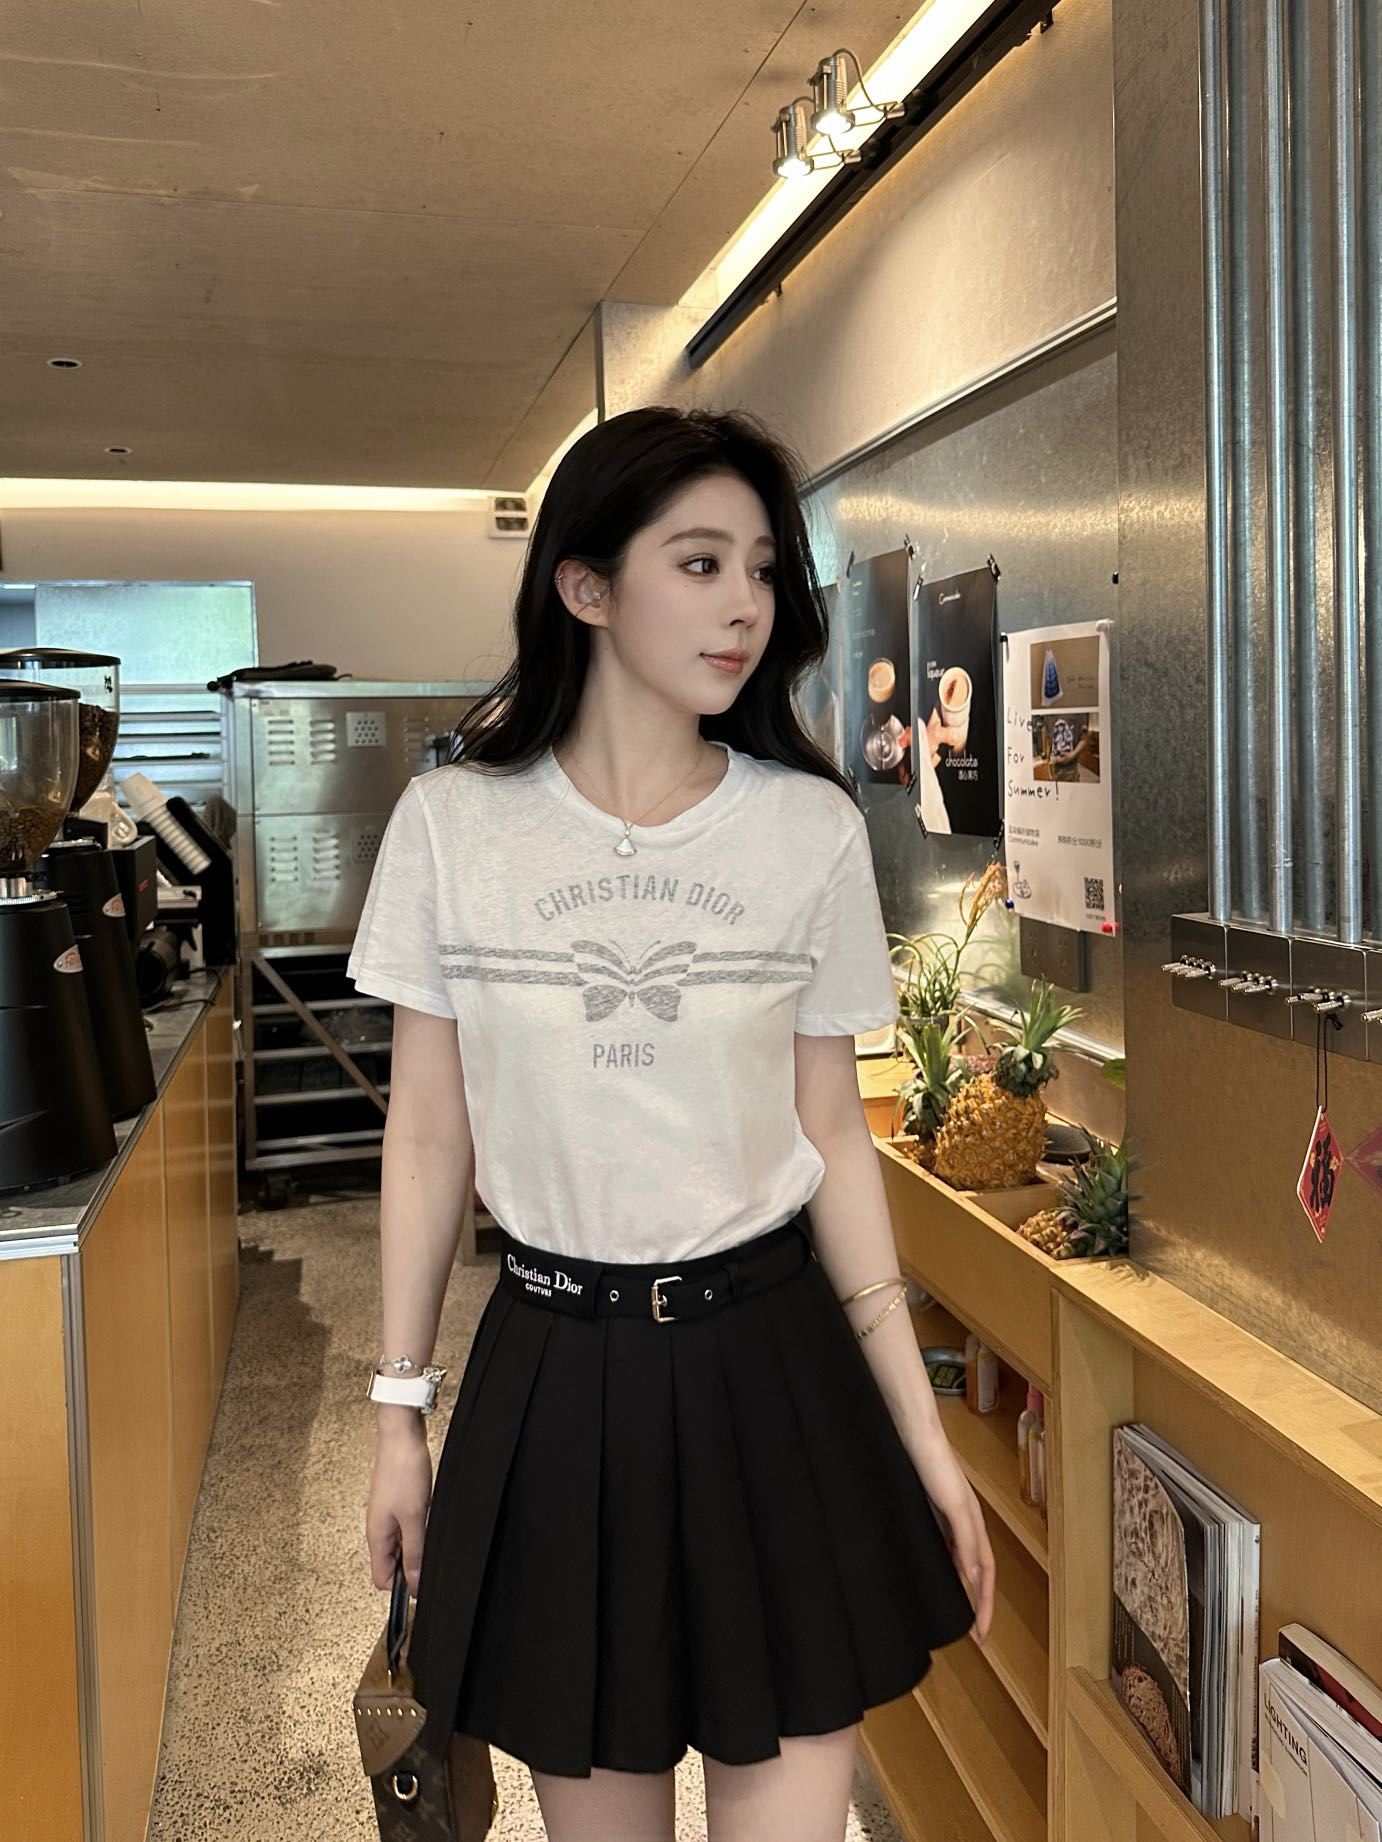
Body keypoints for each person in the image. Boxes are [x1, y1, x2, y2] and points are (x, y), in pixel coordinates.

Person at [348, 404, 996, 1842]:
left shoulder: (808, 831)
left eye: (761, 569)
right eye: (699, 563)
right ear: (584, 585)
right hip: (556, 1371)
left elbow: (831, 1135)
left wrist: (921, 1430)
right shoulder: (453, 827)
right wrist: (399, 1415)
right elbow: (428, 1137)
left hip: (772, 1364)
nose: (745, 605)